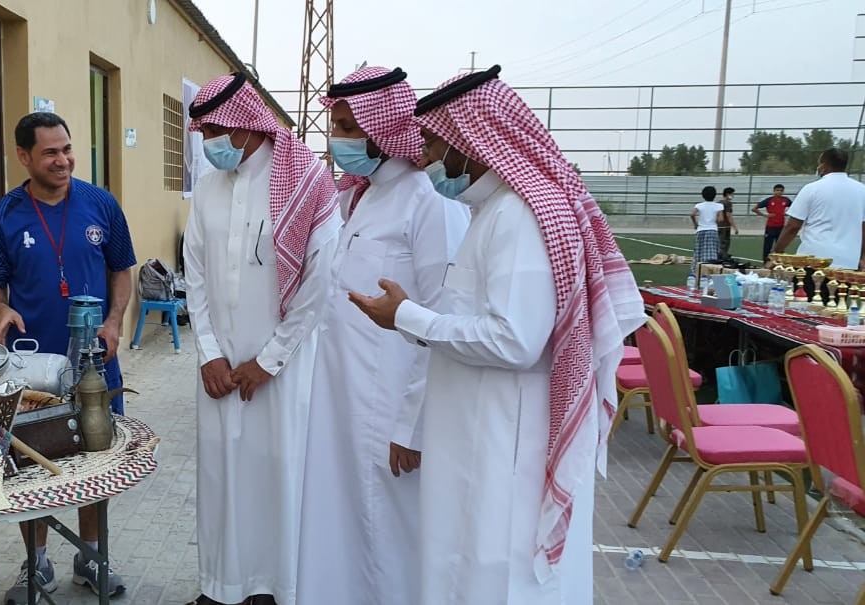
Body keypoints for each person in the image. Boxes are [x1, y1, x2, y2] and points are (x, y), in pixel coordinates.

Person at [349, 65, 644, 605]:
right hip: (478, 438)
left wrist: (408, 317)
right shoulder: (491, 211)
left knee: (499, 580)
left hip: (505, 445)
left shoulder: (519, 217)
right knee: (464, 573)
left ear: (469, 142)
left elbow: (516, 340)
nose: (426, 157)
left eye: (434, 142)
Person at [294, 66, 468, 605]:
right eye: (336, 125)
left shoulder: (429, 200)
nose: (337, 139)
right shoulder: (363, 197)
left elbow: (444, 318)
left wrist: (414, 425)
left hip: (392, 411)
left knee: (390, 540)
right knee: (346, 530)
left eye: (348, 127)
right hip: (343, 405)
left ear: (383, 128)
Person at [181, 73, 340, 605]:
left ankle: (273, 589)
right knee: (220, 477)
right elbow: (194, 273)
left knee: (276, 476)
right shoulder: (208, 188)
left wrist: (269, 360)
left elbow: (319, 282)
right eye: (203, 133)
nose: (210, 143)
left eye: (216, 131)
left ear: (247, 124)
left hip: (282, 368)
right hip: (220, 368)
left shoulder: (306, 182)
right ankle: (220, 587)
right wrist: (208, 352)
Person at [0, 112, 136, 604]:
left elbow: (121, 270)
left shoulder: (101, 204)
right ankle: (37, 563)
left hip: (94, 362)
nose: (63, 160)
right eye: (50, 152)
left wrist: (114, 322)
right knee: (28, 464)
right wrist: (0, 310)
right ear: (24, 156)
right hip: (30, 367)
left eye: (67, 149)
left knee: (97, 457)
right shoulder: (4, 215)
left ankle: (91, 557)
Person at [770, 148, 865, 269]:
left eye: (819, 164)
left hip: (814, 260)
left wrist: (777, 254)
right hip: (849, 262)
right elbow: (863, 228)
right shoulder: (861, 190)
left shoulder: (811, 189)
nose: (818, 167)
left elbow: (793, 227)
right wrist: (862, 258)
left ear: (824, 166)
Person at [753, 184, 791, 262]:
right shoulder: (769, 200)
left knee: (780, 245)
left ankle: (779, 261)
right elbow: (754, 209)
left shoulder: (786, 200)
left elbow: (795, 207)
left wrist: (788, 213)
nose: (779, 192)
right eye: (777, 190)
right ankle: (766, 261)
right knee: (767, 246)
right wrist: (764, 215)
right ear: (774, 191)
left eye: (781, 191)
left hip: (781, 226)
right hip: (770, 226)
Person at [690, 186, 724, 267]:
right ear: (714, 195)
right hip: (712, 230)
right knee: (712, 250)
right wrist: (714, 222)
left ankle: (696, 268)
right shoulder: (719, 206)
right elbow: (721, 219)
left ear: (703, 195)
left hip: (700, 230)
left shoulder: (699, 205)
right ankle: (710, 268)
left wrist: (695, 224)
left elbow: (692, 214)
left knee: (699, 249)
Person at [718, 187, 739, 259]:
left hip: (718, 226)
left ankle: (720, 255)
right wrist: (735, 227)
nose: (732, 196)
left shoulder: (718, 202)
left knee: (720, 242)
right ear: (727, 194)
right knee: (725, 242)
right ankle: (723, 256)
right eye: (732, 194)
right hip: (725, 226)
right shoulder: (728, 203)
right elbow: (728, 215)